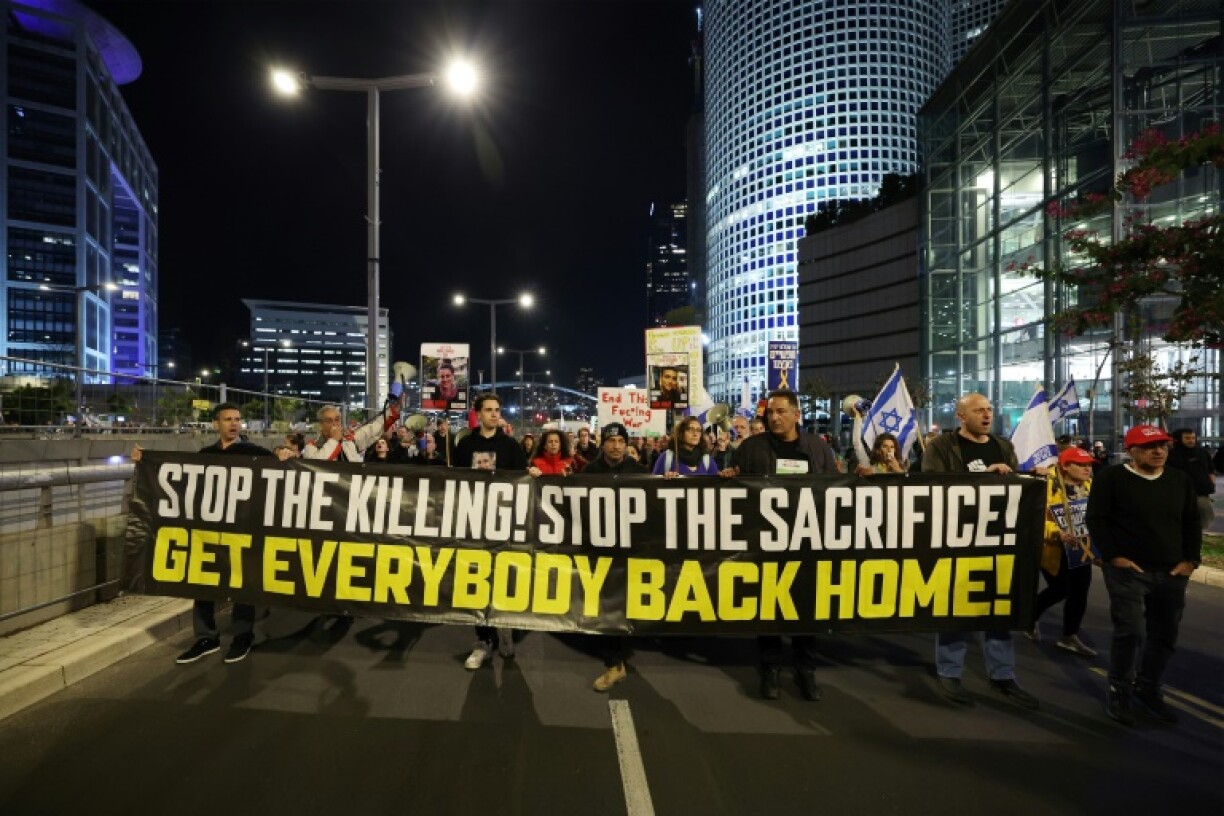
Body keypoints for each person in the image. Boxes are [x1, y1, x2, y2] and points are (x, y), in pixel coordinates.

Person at [921, 393, 1039, 710]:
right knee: (956, 606)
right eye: (979, 410)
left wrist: (1011, 476)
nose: (987, 415)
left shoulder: (1004, 446)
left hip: (997, 537)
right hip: (957, 538)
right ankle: (949, 672)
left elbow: (1018, 489)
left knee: (998, 608)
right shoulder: (941, 447)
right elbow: (932, 486)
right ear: (961, 416)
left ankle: (1003, 675)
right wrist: (980, 478)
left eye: (989, 409)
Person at [133, 403, 273, 665]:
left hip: (242, 531)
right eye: (228, 419)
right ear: (215, 424)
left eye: (238, 419)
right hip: (209, 532)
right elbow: (183, 480)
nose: (234, 423)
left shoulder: (255, 453)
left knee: (243, 585)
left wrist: (285, 453)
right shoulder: (205, 454)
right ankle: (206, 638)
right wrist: (147, 461)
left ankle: (243, 636)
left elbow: (282, 473)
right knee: (202, 581)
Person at [719, 389, 837, 701]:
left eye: (781, 411)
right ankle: (770, 669)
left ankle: (805, 670)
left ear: (797, 415)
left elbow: (836, 488)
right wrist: (730, 475)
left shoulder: (817, 448)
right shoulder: (751, 447)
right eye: (770, 412)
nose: (774, 417)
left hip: (808, 543)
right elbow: (737, 483)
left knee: (805, 608)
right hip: (765, 544)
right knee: (769, 607)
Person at [1088, 425, 1200, 726]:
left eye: (1163, 445)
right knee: (1131, 631)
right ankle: (1119, 691)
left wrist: (1191, 560)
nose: (1159, 451)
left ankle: (1148, 688)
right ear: (1131, 450)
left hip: (1172, 572)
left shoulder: (1180, 480)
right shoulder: (1111, 478)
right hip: (1128, 571)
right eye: (1150, 446)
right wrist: (1114, 556)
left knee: (1164, 636)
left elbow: (1191, 522)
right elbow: (1096, 519)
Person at [453, 393, 527, 667]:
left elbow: (523, 478)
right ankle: (483, 640)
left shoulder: (510, 446)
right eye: (489, 410)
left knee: (504, 578)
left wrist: (534, 475)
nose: (495, 414)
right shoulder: (465, 445)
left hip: (503, 523)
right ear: (478, 414)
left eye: (497, 409)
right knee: (477, 580)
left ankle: (504, 629)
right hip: (474, 523)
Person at [581, 422, 649, 691]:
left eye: (621, 441)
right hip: (601, 550)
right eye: (611, 441)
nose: (616, 446)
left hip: (631, 550)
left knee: (627, 602)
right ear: (603, 444)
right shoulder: (590, 472)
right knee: (607, 603)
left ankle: (619, 653)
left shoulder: (639, 472)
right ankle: (614, 662)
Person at [1030, 446, 1098, 657]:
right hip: (1053, 550)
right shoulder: (1046, 485)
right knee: (1061, 589)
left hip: (1081, 550)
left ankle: (1069, 636)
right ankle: (1029, 617)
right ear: (1066, 466)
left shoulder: (1089, 485)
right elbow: (1035, 517)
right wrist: (1056, 533)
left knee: (1080, 594)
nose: (1087, 469)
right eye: (1082, 465)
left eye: (1089, 465)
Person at [304, 402, 400, 462]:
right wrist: (334, 440)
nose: (334, 424)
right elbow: (317, 465)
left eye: (337, 420)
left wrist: (393, 410)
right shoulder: (312, 446)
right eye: (329, 421)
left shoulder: (349, 439)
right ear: (321, 424)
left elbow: (375, 428)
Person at [1166, 429, 1216, 533]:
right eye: (1187, 438)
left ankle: (1201, 537)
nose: (1191, 440)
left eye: (1193, 438)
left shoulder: (1203, 453)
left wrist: (1211, 484)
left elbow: (1210, 471)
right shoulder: (1170, 455)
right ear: (1180, 439)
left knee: (1206, 517)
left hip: (1201, 493)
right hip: (1179, 494)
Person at [653, 416, 720, 477]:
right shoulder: (667, 458)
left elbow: (716, 486)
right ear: (681, 433)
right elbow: (653, 485)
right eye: (691, 429)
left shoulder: (707, 460)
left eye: (698, 430)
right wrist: (665, 479)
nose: (695, 434)